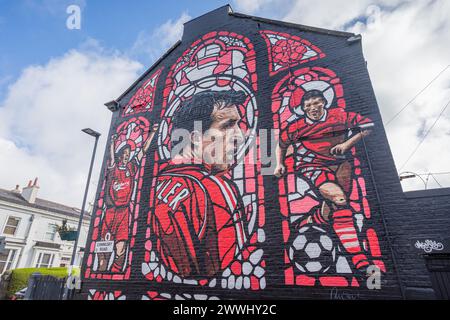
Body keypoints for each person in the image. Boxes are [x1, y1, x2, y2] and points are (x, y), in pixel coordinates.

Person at [151, 89, 248, 278]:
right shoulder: (214, 187)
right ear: (195, 138)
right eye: (227, 126)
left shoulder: (153, 184)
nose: (239, 137)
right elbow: (231, 270)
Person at [274, 89, 374, 272]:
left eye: (316, 103)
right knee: (339, 199)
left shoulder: (339, 115)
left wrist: (346, 144)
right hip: (312, 165)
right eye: (308, 106)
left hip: (341, 164)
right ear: (303, 109)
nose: (312, 108)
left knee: (334, 206)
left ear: (324, 103)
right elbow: (281, 144)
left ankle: (314, 219)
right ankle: (359, 258)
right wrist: (278, 164)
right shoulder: (296, 126)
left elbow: (368, 126)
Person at [98, 123, 159, 272]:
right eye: (123, 155)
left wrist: (152, 133)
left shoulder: (131, 168)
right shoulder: (113, 169)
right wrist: (112, 142)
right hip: (110, 213)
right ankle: (102, 274)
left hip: (124, 213)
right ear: (119, 156)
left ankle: (116, 274)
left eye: (127, 155)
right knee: (103, 253)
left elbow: (143, 151)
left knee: (121, 250)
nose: (126, 157)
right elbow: (111, 158)